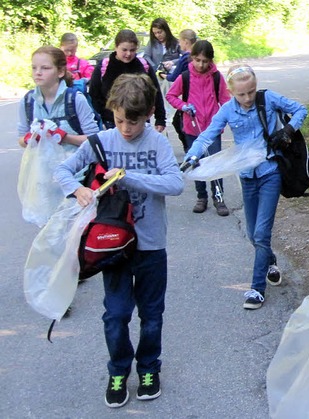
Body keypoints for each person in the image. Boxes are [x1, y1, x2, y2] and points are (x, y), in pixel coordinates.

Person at [54, 73, 184, 408]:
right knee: (116, 314)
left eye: (134, 121)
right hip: (113, 245)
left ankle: (149, 367)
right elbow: (63, 172)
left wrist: (129, 177)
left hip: (152, 244)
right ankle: (118, 369)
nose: (126, 128)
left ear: (148, 112)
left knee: (152, 314)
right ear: (112, 112)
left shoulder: (156, 143)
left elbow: (175, 183)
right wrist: (79, 189)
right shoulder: (101, 142)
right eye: (120, 120)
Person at [184, 64, 307, 310]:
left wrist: (288, 131)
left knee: (261, 233)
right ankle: (270, 261)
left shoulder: (268, 99)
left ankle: (256, 289)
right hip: (247, 177)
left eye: (251, 91)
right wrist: (192, 156)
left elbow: (300, 109)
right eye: (241, 94)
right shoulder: (227, 111)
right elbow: (208, 135)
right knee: (253, 234)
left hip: (270, 173)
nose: (248, 98)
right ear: (231, 91)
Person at [166, 40, 232, 215]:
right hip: (192, 129)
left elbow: (225, 101)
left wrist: (226, 119)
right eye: (197, 60)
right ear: (191, 59)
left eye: (205, 61)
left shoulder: (217, 77)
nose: (201, 64)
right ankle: (201, 197)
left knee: (215, 164)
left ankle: (218, 197)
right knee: (196, 164)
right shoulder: (185, 77)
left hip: (212, 129)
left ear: (211, 60)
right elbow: (171, 95)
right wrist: (184, 106)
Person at [17, 46, 99, 150]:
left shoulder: (74, 99)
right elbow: (21, 138)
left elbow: (94, 139)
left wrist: (64, 137)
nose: (38, 72)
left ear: (60, 72)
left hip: (73, 165)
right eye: (34, 67)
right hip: (41, 165)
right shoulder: (28, 101)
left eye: (45, 68)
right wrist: (29, 139)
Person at [89, 29, 166, 131]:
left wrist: (160, 118)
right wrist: (99, 117)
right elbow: (94, 95)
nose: (128, 54)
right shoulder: (104, 67)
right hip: (111, 122)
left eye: (132, 50)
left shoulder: (143, 66)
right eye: (124, 50)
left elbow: (155, 92)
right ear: (116, 47)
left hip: (139, 120)